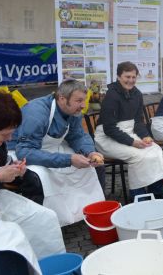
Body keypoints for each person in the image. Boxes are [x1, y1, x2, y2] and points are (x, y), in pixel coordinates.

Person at [0, 92, 65, 275]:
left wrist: (13, 171)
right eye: (5, 134)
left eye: (11, 133)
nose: (9, 139)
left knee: (44, 217)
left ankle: (47, 269)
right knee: (10, 239)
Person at [12, 79, 105, 226]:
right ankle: (44, 223)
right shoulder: (36, 112)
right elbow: (24, 151)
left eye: (84, 100)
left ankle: (88, 212)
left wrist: (90, 153)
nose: (83, 105)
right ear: (62, 98)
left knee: (93, 168)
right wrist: (68, 160)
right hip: (24, 151)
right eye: (79, 100)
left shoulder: (73, 111)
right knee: (38, 177)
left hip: (52, 146)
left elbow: (77, 135)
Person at [94, 62, 163, 199]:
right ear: (118, 76)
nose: (131, 80)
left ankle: (156, 191)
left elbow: (138, 122)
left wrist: (145, 136)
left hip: (128, 132)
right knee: (138, 156)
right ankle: (139, 196)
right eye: (127, 76)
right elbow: (109, 128)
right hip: (106, 137)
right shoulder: (111, 96)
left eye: (133, 77)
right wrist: (132, 142)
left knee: (156, 150)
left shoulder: (137, 94)